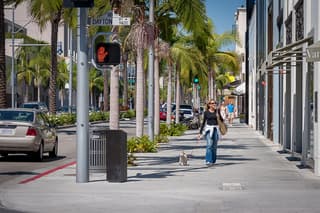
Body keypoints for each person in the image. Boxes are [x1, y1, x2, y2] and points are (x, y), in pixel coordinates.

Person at [197, 99, 224, 166]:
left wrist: (219, 115)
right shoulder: (206, 112)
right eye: (212, 103)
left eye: (215, 103)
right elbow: (203, 123)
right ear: (209, 105)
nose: (214, 104)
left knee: (214, 146)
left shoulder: (217, 111)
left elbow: (222, 120)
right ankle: (208, 160)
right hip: (209, 130)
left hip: (216, 129)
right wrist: (200, 133)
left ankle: (213, 160)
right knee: (209, 145)